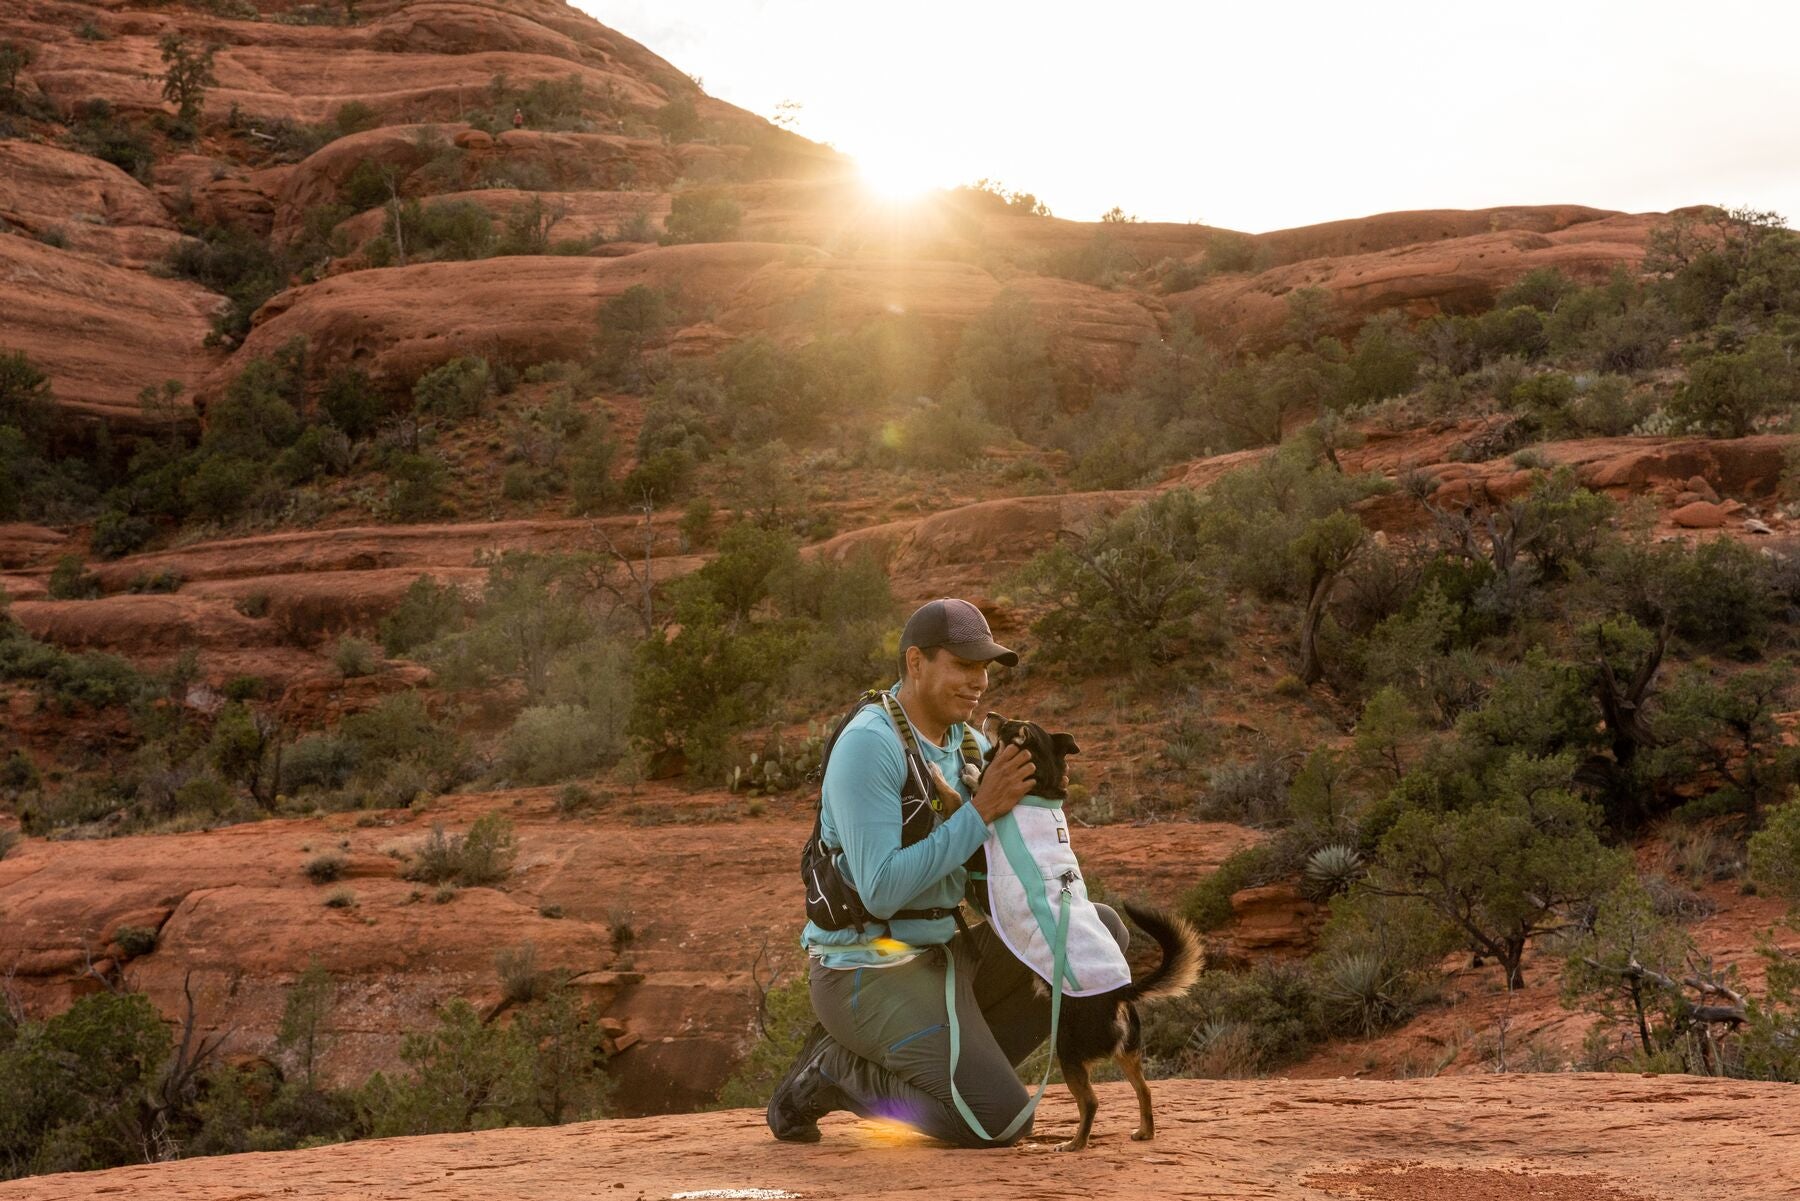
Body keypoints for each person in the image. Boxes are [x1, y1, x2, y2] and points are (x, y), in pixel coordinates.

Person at [766, 598, 1128, 1147]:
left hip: (943, 956)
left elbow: (991, 875)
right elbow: (881, 890)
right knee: (1000, 1121)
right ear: (916, 663)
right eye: (962, 665)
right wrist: (981, 811)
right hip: (869, 967)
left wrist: (1032, 814)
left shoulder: (970, 745)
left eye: (984, 667)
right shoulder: (871, 745)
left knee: (1093, 934)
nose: (978, 680)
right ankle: (834, 1071)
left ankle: (955, 1076)